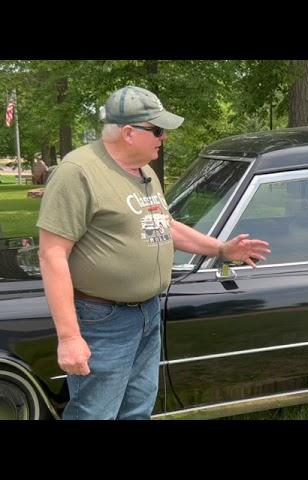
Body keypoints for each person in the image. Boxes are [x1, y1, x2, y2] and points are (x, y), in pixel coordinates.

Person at [37, 86, 270, 420]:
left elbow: (166, 225)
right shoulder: (78, 172)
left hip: (147, 313)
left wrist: (221, 248)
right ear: (129, 133)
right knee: (95, 412)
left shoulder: (144, 172)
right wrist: (70, 337)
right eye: (158, 130)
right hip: (104, 318)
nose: (165, 138)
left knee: (137, 408)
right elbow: (52, 254)